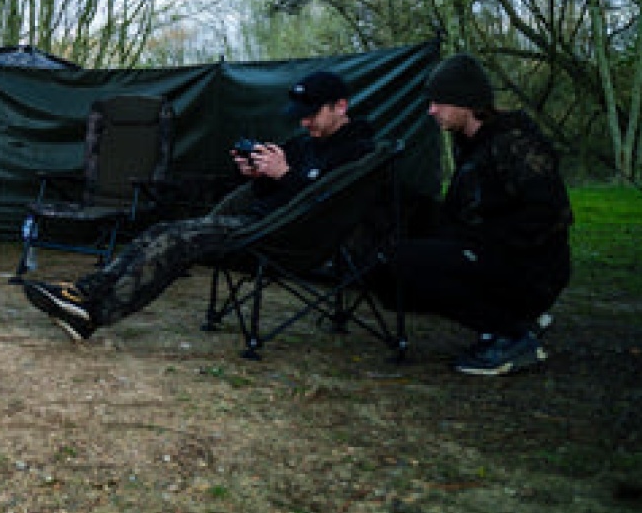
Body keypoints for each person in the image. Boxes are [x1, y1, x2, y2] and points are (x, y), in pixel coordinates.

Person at [23, 70, 377, 340]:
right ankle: (84, 294)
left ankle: (93, 314)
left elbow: (322, 209)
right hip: (262, 223)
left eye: (313, 113)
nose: (304, 121)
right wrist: (260, 176)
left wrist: (284, 174)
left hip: (287, 239)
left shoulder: (358, 154)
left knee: (180, 238)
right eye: (301, 114)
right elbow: (280, 194)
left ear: (341, 106)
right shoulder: (304, 144)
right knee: (161, 230)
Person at [391, 53, 573, 376]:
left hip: (531, 268)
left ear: (467, 103)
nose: (431, 110)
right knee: (397, 258)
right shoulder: (470, 143)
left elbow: (550, 215)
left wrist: (478, 245)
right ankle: (511, 322)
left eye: (439, 102)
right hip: (494, 255)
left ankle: (512, 335)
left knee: (409, 265)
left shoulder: (515, 144)